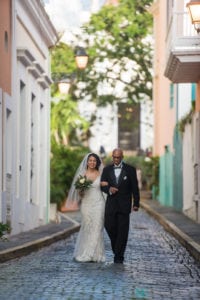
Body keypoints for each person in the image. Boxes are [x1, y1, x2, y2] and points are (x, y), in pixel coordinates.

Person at [100, 148, 140, 264]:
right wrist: (109, 189)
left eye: (118, 157)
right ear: (112, 157)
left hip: (124, 205)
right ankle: (117, 248)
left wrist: (136, 203)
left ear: (122, 157)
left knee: (123, 231)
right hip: (111, 205)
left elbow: (135, 188)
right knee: (109, 226)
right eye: (114, 157)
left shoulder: (130, 170)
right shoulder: (107, 170)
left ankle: (119, 256)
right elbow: (102, 185)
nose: (116, 159)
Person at [66, 153, 106, 263]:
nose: (92, 162)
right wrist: (81, 188)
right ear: (87, 162)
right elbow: (80, 194)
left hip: (99, 203)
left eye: (94, 161)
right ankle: (85, 252)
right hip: (86, 204)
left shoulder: (101, 174)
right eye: (90, 160)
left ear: (97, 162)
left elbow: (104, 189)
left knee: (97, 227)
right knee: (87, 227)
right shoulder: (82, 175)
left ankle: (95, 254)